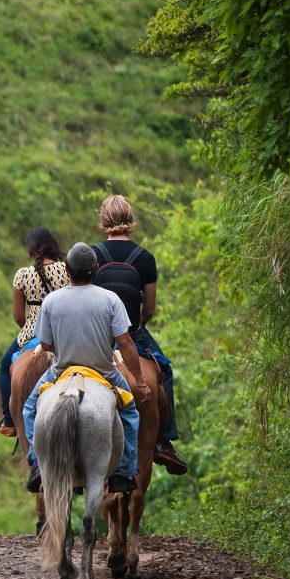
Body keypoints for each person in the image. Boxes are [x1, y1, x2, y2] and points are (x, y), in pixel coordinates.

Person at [21, 243, 150, 494]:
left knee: (29, 408)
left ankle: (37, 463)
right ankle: (123, 471)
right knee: (131, 412)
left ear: (67, 269)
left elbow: (45, 344)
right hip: (104, 372)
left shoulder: (51, 301)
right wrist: (141, 382)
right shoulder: (110, 299)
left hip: (61, 371)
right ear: (96, 269)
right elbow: (125, 343)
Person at [90, 195, 188, 475]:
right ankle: (163, 443)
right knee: (165, 371)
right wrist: (135, 326)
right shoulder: (145, 258)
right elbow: (150, 309)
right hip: (132, 334)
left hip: (99, 337)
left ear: (104, 219)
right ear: (131, 219)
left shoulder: (92, 255)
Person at [0, 227, 70, 437]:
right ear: (52, 245)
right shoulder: (66, 270)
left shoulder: (23, 274)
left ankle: (10, 421)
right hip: (62, 335)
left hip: (32, 334)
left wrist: (31, 332)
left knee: (4, 367)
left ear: (32, 249)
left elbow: (19, 316)